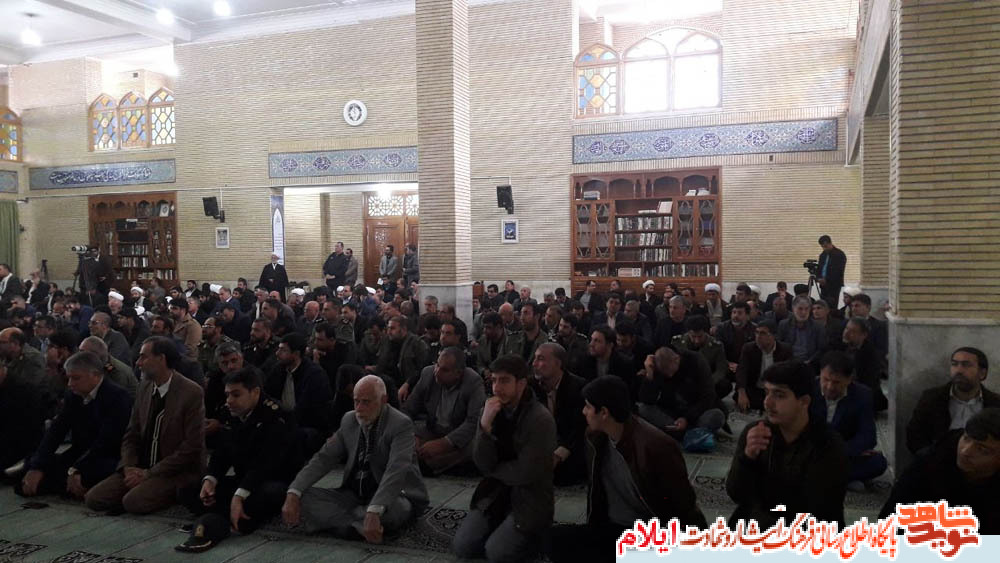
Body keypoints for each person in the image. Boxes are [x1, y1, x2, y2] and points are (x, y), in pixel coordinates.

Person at [547, 376, 706, 563]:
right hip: (615, 528)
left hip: (652, 534)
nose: (584, 411)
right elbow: (597, 493)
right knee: (554, 540)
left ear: (604, 413)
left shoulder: (655, 447)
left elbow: (683, 503)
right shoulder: (595, 437)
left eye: (588, 407)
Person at [282, 375, 429, 542]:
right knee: (303, 498)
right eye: (356, 401)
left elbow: (396, 470)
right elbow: (324, 458)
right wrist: (294, 491)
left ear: (383, 400)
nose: (359, 408)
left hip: (394, 495)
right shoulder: (349, 420)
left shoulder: (401, 424)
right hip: (353, 495)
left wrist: (375, 509)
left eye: (366, 402)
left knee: (397, 510)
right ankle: (357, 524)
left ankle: (351, 522)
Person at [176, 367, 302, 552]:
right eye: (227, 395)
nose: (229, 401)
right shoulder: (231, 412)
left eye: (236, 395)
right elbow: (222, 453)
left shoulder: (278, 416)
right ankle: (228, 513)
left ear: (255, 392)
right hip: (243, 479)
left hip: (272, 480)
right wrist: (210, 480)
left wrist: (239, 495)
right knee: (187, 489)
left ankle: (223, 515)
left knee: (270, 495)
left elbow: (266, 465)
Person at [452, 355, 557, 562]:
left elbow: (526, 473)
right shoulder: (489, 411)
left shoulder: (540, 419)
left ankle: (533, 537)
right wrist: (485, 427)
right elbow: (481, 462)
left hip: (530, 496)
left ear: (521, 383)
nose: (497, 388)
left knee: (497, 553)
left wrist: (494, 470)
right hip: (495, 492)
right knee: (463, 546)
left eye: (504, 381)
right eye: (494, 381)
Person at [85, 336, 206, 515]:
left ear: (161, 359)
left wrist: (150, 473)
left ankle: (168, 492)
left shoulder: (191, 392)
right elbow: (131, 434)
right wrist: (129, 467)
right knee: (94, 498)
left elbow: (192, 447)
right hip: (142, 465)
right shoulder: (144, 387)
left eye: (143, 357)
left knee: (133, 502)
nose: (138, 363)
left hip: (175, 470)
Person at [726, 360, 848, 528]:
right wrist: (747, 458)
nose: (767, 402)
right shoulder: (757, 433)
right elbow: (736, 494)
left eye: (779, 395)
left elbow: (817, 511)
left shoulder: (827, 444)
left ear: (804, 401)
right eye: (767, 392)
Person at [18, 351, 131, 500]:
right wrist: (37, 467)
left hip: (106, 456)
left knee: (85, 477)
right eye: (69, 378)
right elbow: (57, 430)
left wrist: (76, 469)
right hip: (79, 453)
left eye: (76, 378)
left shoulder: (118, 397)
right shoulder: (73, 394)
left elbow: (107, 442)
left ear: (95, 375)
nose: (70, 384)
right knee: (32, 465)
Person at [880, 408, 1000, 535]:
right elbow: (890, 520)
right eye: (966, 439)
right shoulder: (929, 463)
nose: (965, 451)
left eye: (982, 450)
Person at [402, 347, 486, 474]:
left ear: (458, 373)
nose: (437, 372)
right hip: (433, 430)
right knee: (402, 440)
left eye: (444, 370)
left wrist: (445, 443)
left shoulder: (473, 382)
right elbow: (408, 409)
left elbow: (473, 422)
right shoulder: (428, 374)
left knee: (475, 446)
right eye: (437, 365)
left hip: (458, 435)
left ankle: (431, 464)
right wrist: (412, 435)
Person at [811, 351, 886, 491]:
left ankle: (821, 477)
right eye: (825, 380)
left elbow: (868, 436)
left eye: (836, 382)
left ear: (849, 380)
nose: (829, 386)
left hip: (843, 453)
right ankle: (839, 479)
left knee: (878, 462)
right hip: (812, 451)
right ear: (820, 374)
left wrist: (837, 451)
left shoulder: (862, 395)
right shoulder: (809, 390)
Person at [907, 347, 1000, 456]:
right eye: (954, 364)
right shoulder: (932, 398)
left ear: (982, 373)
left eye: (966, 365)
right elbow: (914, 435)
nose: (958, 370)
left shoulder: (995, 403)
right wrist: (932, 458)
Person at [264, 332, 334, 456]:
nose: (277, 353)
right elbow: (267, 395)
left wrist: (282, 421)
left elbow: (306, 411)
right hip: (283, 420)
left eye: (283, 350)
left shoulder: (314, 375)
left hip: (308, 427)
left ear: (296, 354)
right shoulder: (279, 369)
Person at [637, 346, 726, 439]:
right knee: (643, 409)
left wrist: (686, 418)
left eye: (671, 372)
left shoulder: (696, 361)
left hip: (695, 413)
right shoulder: (658, 367)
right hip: (672, 414)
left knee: (716, 416)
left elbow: (708, 396)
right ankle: (688, 434)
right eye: (666, 374)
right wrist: (649, 375)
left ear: (676, 359)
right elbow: (647, 400)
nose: (670, 376)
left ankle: (683, 433)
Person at [531, 342, 587, 485]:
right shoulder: (531, 386)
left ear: (557, 363)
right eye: (535, 358)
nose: (534, 363)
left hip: (567, 446)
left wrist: (558, 455)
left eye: (541, 359)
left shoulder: (578, 387)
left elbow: (578, 428)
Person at [734, 319, 794, 412]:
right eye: (756, 333)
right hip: (756, 388)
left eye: (763, 333)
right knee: (738, 395)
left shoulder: (785, 350)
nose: (758, 336)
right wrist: (742, 392)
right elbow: (741, 370)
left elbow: (789, 375)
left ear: (773, 335)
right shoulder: (749, 348)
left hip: (775, 389)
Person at [672, 314, 732, 401]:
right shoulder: (678, 342)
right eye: (693, 336)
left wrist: (708, 382)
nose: (696, 341)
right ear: (688, 333)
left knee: (725, 385)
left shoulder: (716, 346)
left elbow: (721, 369)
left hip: (706, 378)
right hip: (685, 379)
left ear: (706, 333)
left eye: (700, 336)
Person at [841, 317, 888, 412]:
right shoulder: (842, 345)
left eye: (852, 331)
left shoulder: (870, 355)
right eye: (846, 328)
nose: (846, 333)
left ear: (864, 335)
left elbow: (867, 384)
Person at [376, 316, 429, 393]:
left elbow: (422, 369)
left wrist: (408, 383)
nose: (389, 332)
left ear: (403, 329)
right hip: (387, 382)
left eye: (392, 328)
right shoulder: (386, 341)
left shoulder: (417, 343)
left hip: (407, 385)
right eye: (388, 328)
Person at [777, 295, 826, 368]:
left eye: (806, 309)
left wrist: (809, 362)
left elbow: (821, 350)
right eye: (800, 309)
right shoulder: (784, 325)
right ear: (793, 309)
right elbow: (779, 347)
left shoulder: (818, 327)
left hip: (810, 365)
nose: (804, 312)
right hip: (788, 364)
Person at [816, 235, 847, 309]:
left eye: (826, 246)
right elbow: (820, 268)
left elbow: (838, 271)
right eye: (822, 247)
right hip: (823, 285)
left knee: (832, 306)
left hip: (834, 285)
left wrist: (826, 279)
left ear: (830, 243)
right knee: (823, 305)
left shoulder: (839, 254)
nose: (824, 248)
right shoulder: (823, 255)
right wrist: (818, 278)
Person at [169, 296, 202, 361]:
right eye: (171, 308)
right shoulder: (171, 322)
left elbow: (189, 349)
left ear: (183, 310)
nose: (171, 311)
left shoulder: (193, 325)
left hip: (187, 361)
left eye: (174, 308)